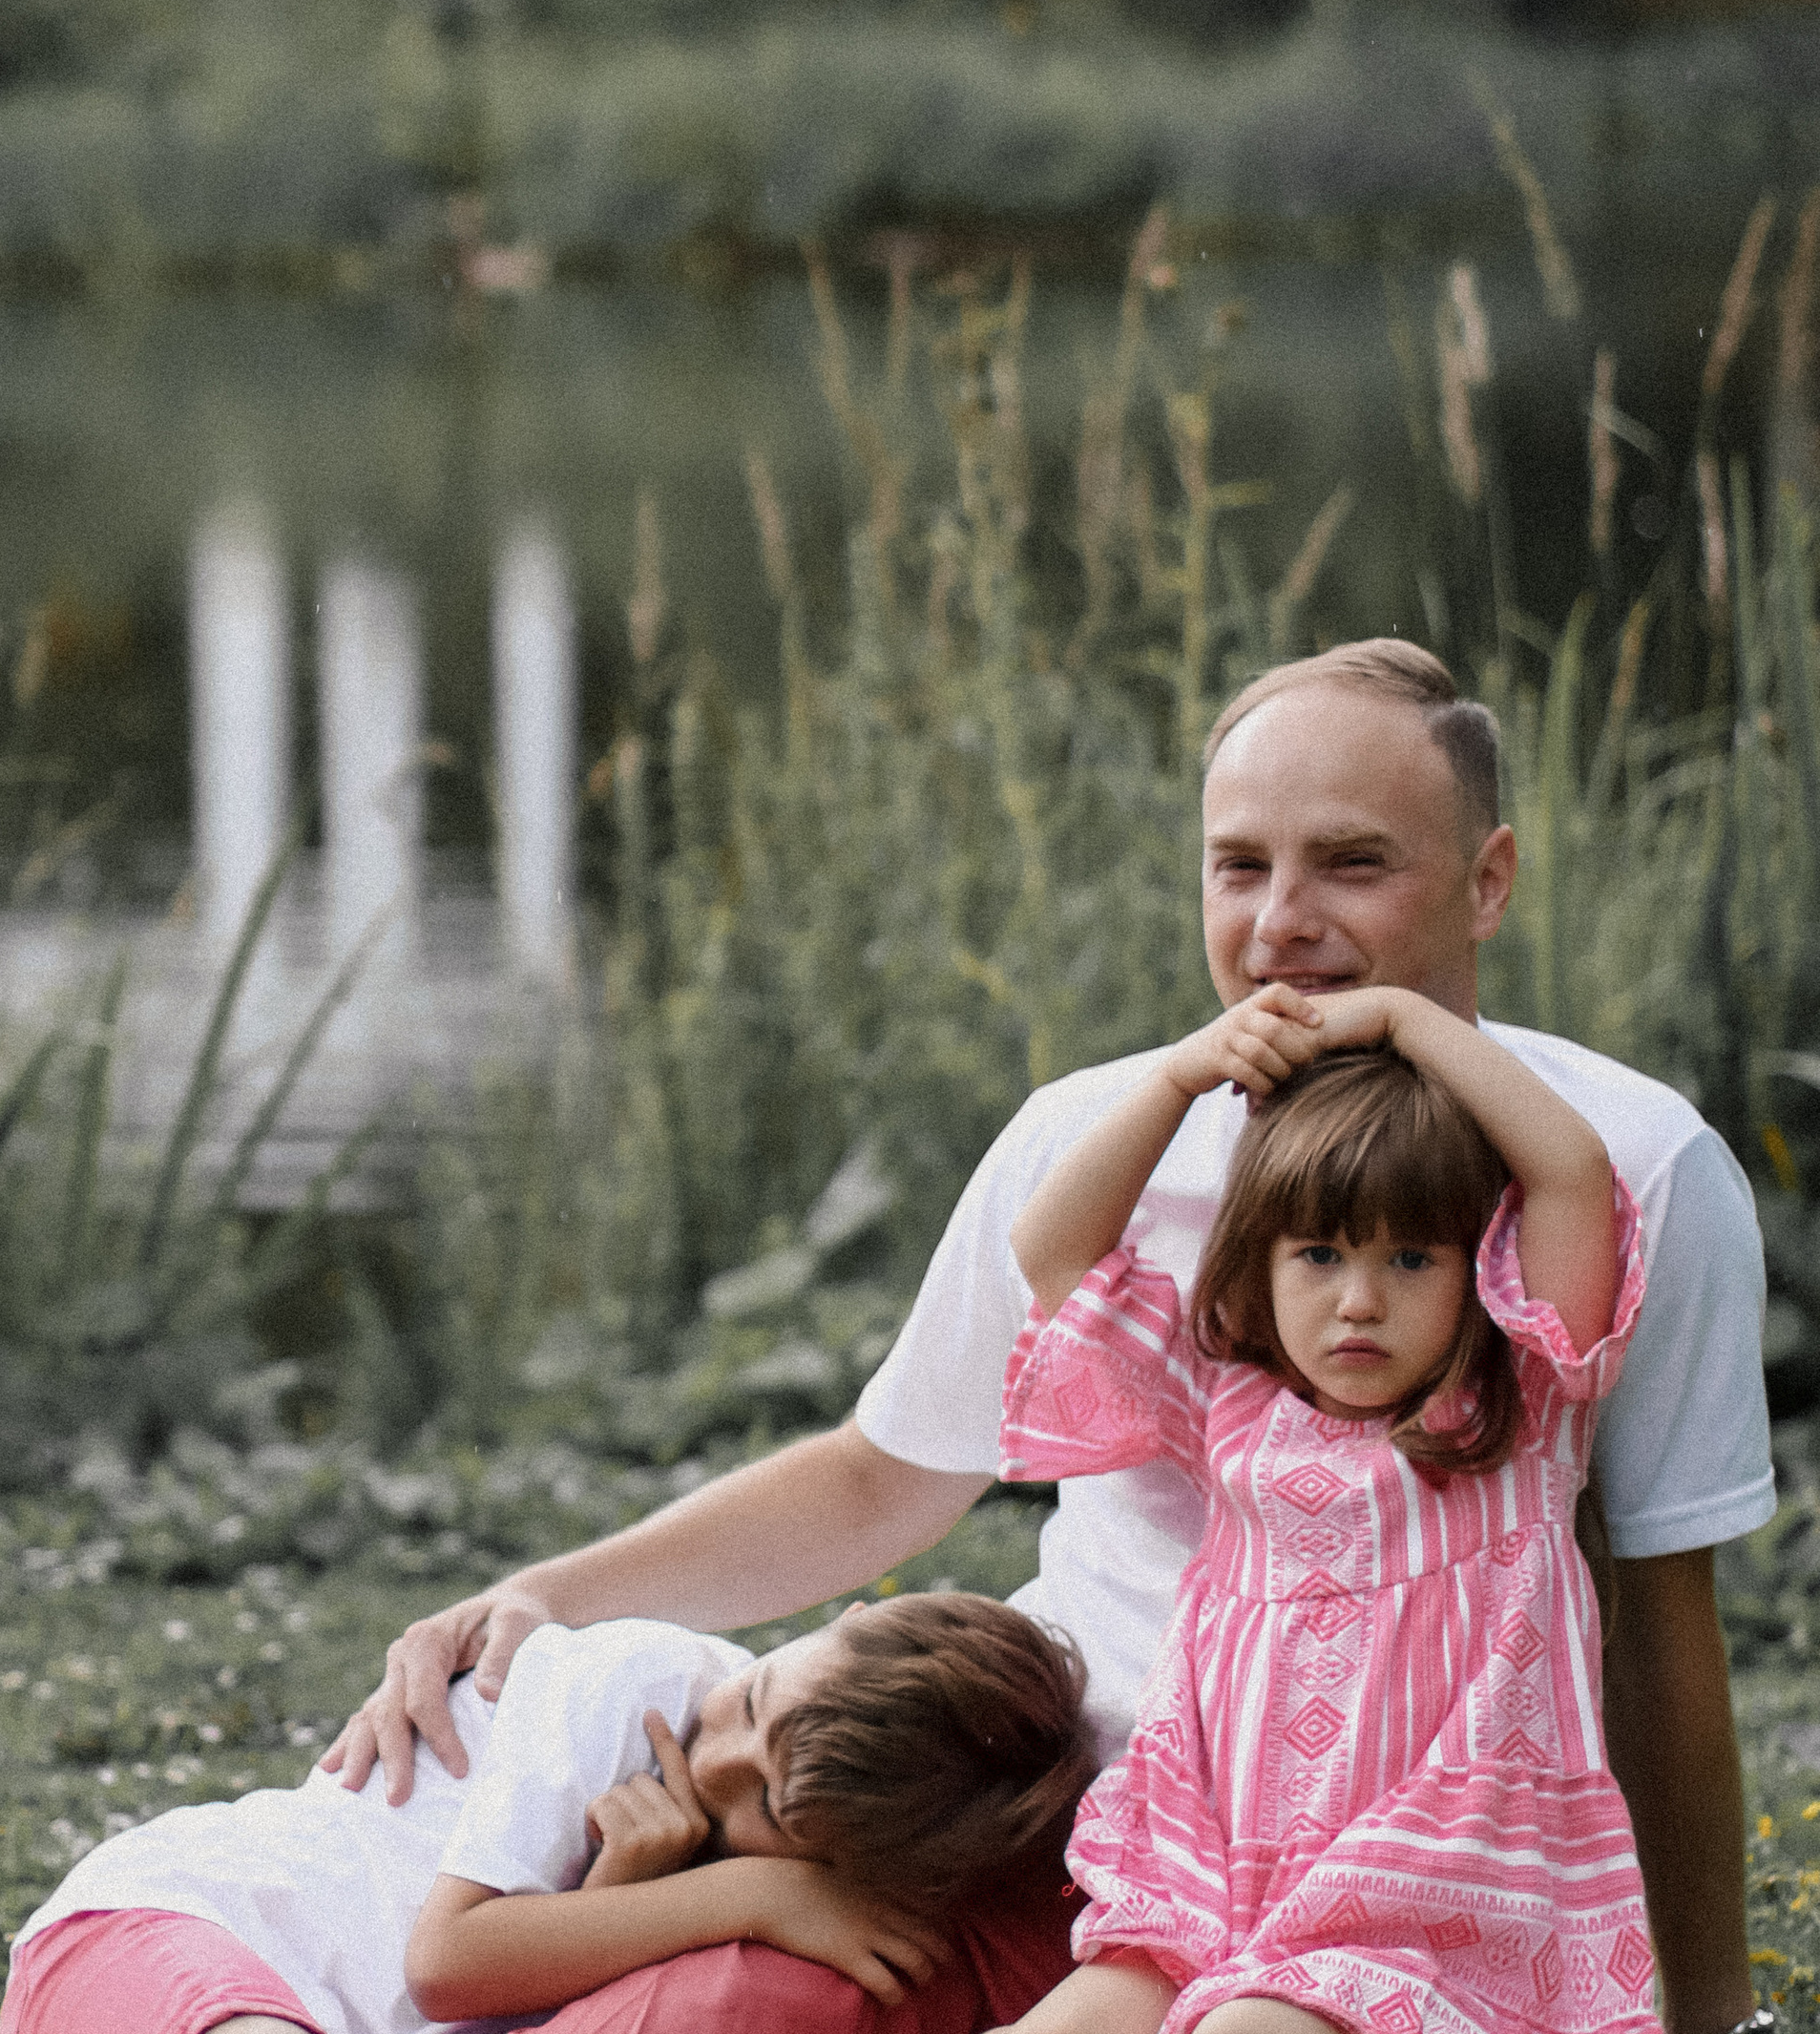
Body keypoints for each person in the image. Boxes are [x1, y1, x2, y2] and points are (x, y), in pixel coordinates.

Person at [324, 640, 1775, 2034]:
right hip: (1094, 1834)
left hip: (1417, 1842)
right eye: (1239, 868)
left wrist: (1710, 2016)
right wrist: (550, 1592)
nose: (1283, 922)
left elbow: (1663, 1620)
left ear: (1489, 880)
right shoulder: (1102, 1141)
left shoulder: (1636, 1169)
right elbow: (884, 1477)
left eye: (1353, 862)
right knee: (743, 2003)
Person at [996, 985, 1649, 2034]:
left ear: (1475, 1267)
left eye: (1409, 1257)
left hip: (1429, 1904)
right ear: (1257, 1260)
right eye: (1318, 1253)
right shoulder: (1230, 1409)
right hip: (1214, 1881)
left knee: (1247, 2031)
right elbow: (1052, 1249)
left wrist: (1396, 1014)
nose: (1358, 1300)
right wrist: (1178, 1074)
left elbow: (1568, 1168)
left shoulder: (1515, 1414)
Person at [0, 1591, 1093, 2034]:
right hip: (191, 1932)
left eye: (768, 1805)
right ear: (838, 1620)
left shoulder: (706, 1850)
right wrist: (754, 1886)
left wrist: (636, 1888)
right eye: (754, 1700)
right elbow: (448, 1962)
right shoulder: (635, 1674)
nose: (714, 1761)